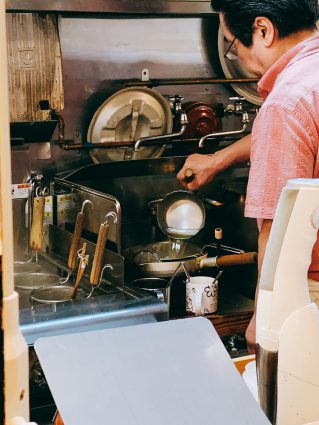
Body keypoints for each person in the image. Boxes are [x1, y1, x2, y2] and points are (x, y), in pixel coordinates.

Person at [177, 0, 319, 353]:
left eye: (232, 43)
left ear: (263, 30)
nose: (237, 57)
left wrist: (265, 320)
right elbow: (305, 129)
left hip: (310, 294)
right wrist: (218, 159)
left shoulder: (286, 103)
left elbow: (280, 231)